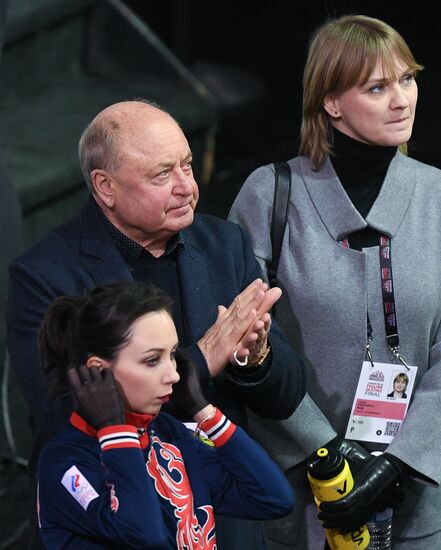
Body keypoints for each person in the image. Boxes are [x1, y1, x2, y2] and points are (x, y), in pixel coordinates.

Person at [6, 100, 306, 549]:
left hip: (223, 516)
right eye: (162, 175)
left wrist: (254, 358)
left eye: (187, 165)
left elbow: (286, 397)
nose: (187, 186)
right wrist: (202, 361)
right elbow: (62, 412)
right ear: (105, 187)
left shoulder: (224, 244)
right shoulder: (46, 274)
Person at [228, 13, 441, 549]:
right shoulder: (269, 196)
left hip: (414, 501)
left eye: (407, 79)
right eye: (378, 87)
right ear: (331, 103)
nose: (402, 99)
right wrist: (326, 452)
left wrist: (399, 465)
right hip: (300, 496)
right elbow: (250, 350)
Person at [36, 281, 295, 548]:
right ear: (99, 371)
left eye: (172, 355)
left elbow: (274, 498)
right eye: (152, 360)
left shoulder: (167, 434)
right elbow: (146, 536)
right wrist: (115, 430)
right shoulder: (65, 463)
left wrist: (204, 411)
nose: (173, 374)